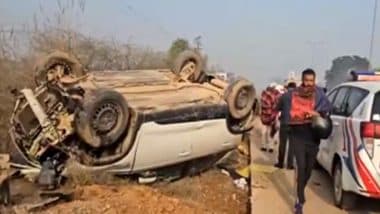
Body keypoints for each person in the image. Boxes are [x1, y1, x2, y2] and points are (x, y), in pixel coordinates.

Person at [285, 69, 331, 214]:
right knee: (301, 166)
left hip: (313, 137)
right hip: (298, 136)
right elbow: (288, 111)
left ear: (314, 80)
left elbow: (327, 110)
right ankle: (299, 203)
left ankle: (300, 190)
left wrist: (314, 113)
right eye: (306, 80)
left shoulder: (319, 94)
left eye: (311, 80)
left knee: (308, 170)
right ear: (302, 80)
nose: (309, 83)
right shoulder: (295, 94)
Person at [274, 81, 297, 169]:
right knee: (292, 145)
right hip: (295, 124)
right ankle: (290, 164)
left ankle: (280, 163)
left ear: (288, 88)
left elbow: (277, 108)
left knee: (282, 144)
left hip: (284, 122)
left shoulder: (283, 96)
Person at [259, 83, 283, 153]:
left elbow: (263, 104)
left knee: (265, 132)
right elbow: (276, 105)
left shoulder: (265, 95)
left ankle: (265, 146)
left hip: (266, 116)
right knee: (270, 132)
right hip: (271, 116)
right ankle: (269, 147)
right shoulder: (276, 95)